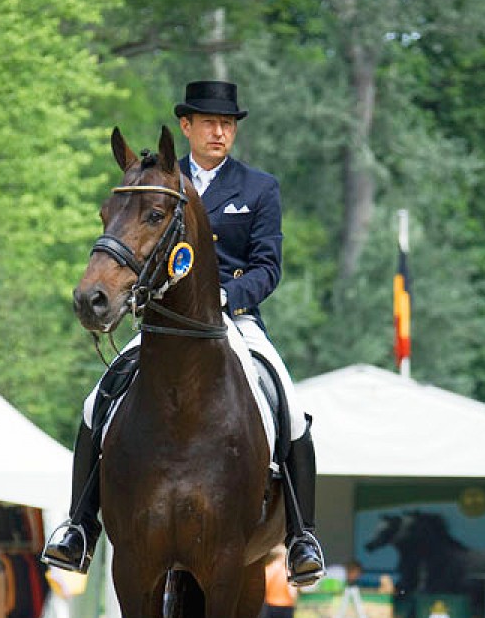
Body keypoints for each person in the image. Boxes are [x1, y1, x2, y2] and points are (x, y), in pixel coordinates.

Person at [43, 80, 325, 585]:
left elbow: (268, 266)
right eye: (210, 123)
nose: (220, 132)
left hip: (233, 320)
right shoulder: (153, 183)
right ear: (187, 128)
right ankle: (78, 526)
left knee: (289, 405)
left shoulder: (258, 188)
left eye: (228, 124)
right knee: (96, 401)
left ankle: (303, 535)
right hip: (165, 318)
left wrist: (227, 299)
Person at [260, 545, 298, 618]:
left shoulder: (268, 570)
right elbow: (293, 591)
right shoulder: (286, 572)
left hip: (275, 605)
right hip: (281, 605)